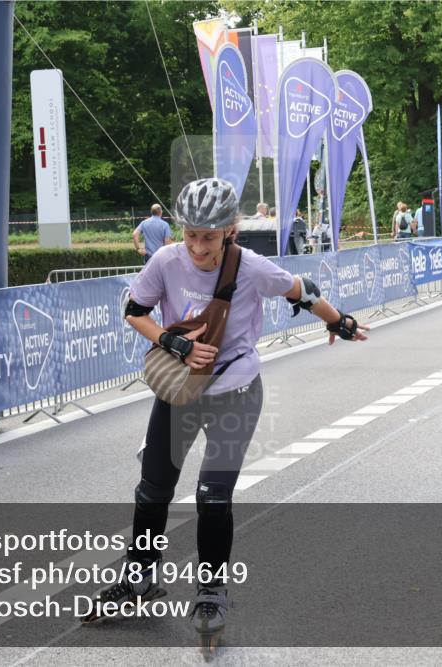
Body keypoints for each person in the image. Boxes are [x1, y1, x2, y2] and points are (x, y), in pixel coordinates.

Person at [80, 178, 369, 654]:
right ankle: (138, 580)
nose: (197, 246)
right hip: (180, 391)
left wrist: (339, 321)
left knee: (212, 497)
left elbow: (302, 289)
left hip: (235, 392)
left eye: (209, 237)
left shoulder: (251, 267)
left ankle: (211, 593)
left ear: (230, 231)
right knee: (152, 490)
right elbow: (135, 311)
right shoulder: (165, 261)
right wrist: (173, 342)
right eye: (190, 234)